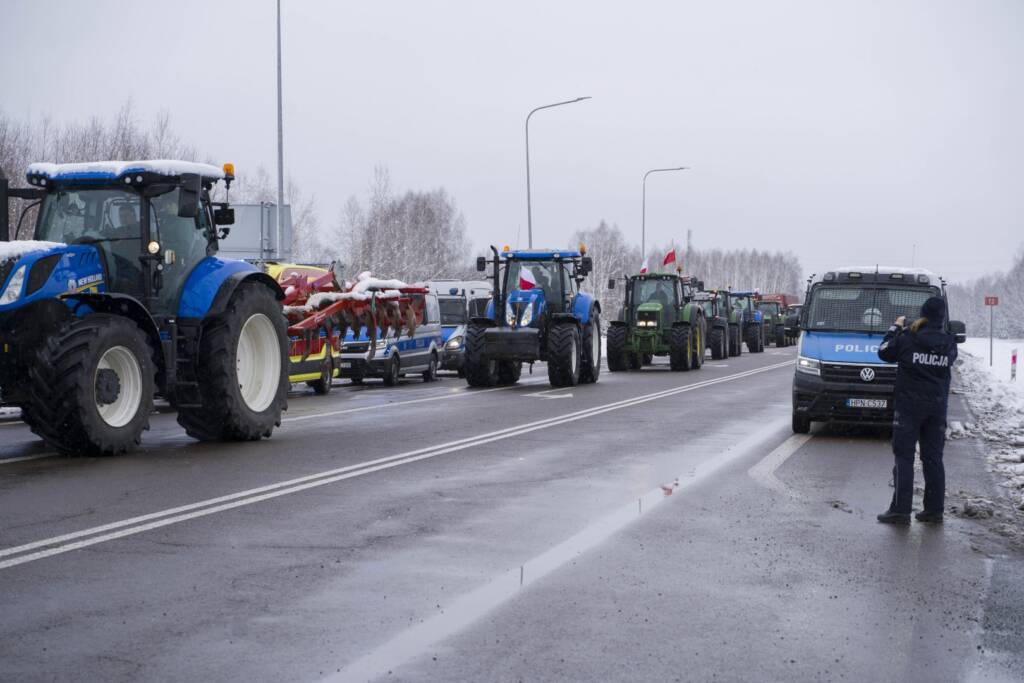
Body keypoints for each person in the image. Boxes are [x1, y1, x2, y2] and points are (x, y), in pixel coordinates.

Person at [875, 297, 958, 525]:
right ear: (942, 317)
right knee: (933, 458)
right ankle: (934, 510)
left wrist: (895, 328)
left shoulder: (908, 338)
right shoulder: (949, 343)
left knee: (904, 456)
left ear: (923, 315)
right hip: (936, 409)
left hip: (909, 407)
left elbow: (883, 352)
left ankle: (901, 511)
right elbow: (948, 359)